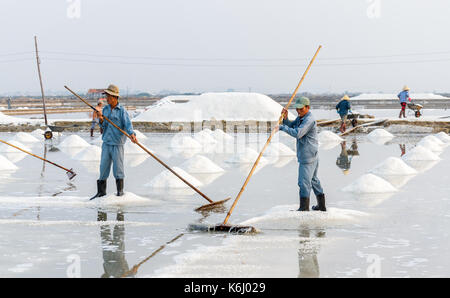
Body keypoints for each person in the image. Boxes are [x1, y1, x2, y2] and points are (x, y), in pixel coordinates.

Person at [278, 96, 326, 211]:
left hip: (308, 156)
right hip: (311, 153)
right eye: (297, 109)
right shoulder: (301, 117)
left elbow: (298, 133)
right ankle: (321, 205)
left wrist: (281, 127)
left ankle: (304, 208)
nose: (298, 111)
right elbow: (292, 125)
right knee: (313, 179)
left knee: (303, 182)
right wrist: (285, 118)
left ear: (308, 107)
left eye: (301, 109)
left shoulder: (309, 120)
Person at [90, 84, 138, 200]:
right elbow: (103, 125)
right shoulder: (105, 109)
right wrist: (101, 119)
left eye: (108, 96)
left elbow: (128, 125)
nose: (106, 98)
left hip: (117, 144)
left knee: (118, 169)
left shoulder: (122, 111)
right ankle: (101, 193)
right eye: (106, 96)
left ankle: (120, 193)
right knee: (103, 167)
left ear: (114, 97)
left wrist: (132, 135)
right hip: (106, 142)